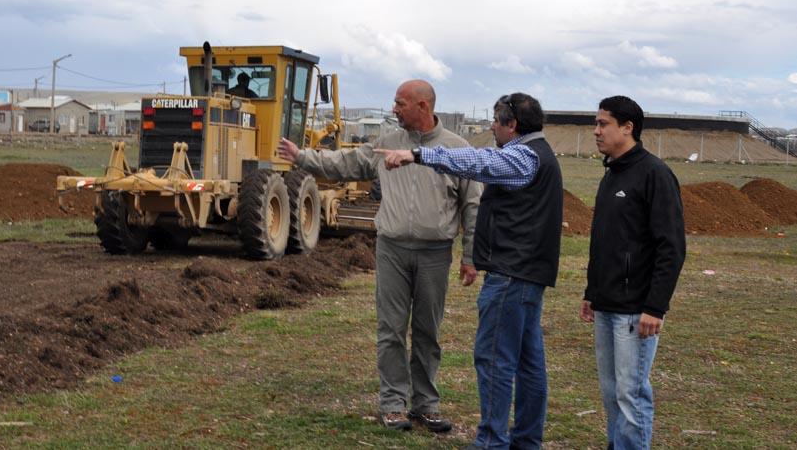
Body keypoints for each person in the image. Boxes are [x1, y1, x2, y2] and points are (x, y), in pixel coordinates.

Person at [277, 79, 481, 433]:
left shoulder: (457, 149)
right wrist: (303, 157)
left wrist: (471, 255)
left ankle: (426, 405)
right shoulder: (388, 143)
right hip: (392, 250)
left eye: (400, 103)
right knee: (391, 330)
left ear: (423, 106)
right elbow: (348, 162)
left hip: (435, 254)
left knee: (427, 331)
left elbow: (473, 205)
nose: (394, 109)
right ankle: (392, 405)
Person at [376, 92, 563, 449]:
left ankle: (491, 441)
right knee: (528, 363)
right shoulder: (540, 153)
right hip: (526, 275)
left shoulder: (523, 156)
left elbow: (479, 163)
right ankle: (526, 440)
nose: (491, 126)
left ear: (513, 125)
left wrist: (418, 154)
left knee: (494, 359)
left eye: (496, 120)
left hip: (511, 275)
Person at [579, 95, 686, 450]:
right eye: (596, 123)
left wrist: (655, 306)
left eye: (603, 124)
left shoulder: (654, 174)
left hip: (635, 309)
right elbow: (607, 242)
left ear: (628, 128)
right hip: (606, 305)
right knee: (612, 394)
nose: (596, 131)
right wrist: (592, 293)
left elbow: (670, 247)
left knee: (631, 394)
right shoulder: (611, 172)